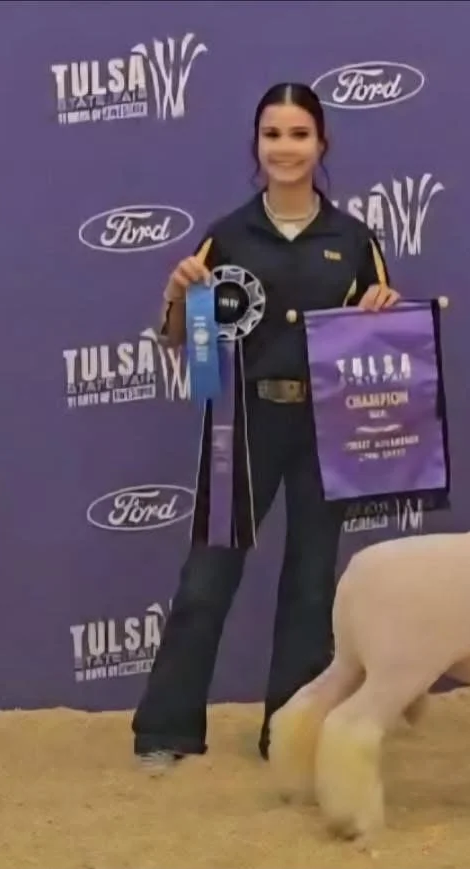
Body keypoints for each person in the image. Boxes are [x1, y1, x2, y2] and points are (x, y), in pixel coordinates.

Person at [130, 82, 402, 772]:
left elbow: (379, 340)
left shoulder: (355, 240)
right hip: (242, 421)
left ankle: (290, 730)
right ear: (257, 144)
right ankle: (165, 728)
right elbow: (185, 347)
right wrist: (175, 296)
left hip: (327, 424)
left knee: (313, 582)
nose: (285, 147)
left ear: (323, 144)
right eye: (273, 134)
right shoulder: (224, 234)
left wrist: (383, 316)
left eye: (299, 134)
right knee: (207, 575)